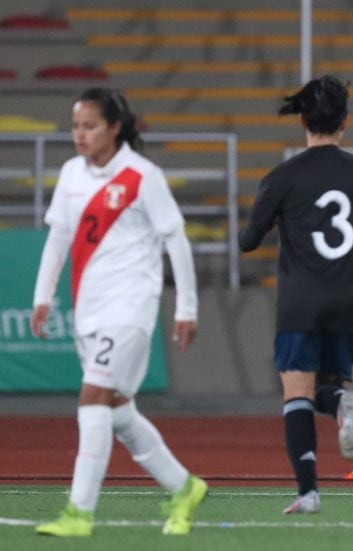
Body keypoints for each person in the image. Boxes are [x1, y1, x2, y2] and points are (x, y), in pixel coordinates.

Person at [31, 87, 207, 536]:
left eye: (89, 126)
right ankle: (184, 487)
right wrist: (42, 296)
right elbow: (57, 239)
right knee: (118, 409)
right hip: (88, 308)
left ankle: (79, 514)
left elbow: (176, 239)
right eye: (75, 126)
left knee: (91, 400)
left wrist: (186, 307)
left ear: (113, 128)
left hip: (130, 308)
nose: (80, 135)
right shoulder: (72, 173)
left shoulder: (141, 176)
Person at [238, 75, 353, 514]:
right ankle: (341, 401)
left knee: (297, 395)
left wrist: (272, 214)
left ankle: (308, 492)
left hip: (301, 302)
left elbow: (248, 241)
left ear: (302, 120)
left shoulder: (282, 177)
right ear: (344, 122)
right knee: (328, 384)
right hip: (352, 301)